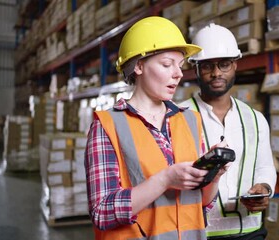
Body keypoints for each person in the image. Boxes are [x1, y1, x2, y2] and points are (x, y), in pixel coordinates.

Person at [84, 16, 227, 240]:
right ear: (139, 66)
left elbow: (203, 204)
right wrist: (165, 180)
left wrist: (213, 177)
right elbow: (102, 212)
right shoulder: (107, 126)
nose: (178, 74)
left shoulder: (190, 120)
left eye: (179, 66)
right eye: (167, 64)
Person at [180, 23, 277, 240]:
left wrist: (264, 187)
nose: (216, 73)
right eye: (207, 66)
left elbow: (265, 166)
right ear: (195, 68)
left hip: (250, 231)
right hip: (198, 233)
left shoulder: (254, 118)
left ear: (235, 65)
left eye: (224, 64)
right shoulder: (179, 117)